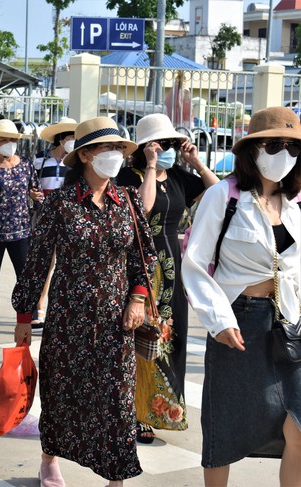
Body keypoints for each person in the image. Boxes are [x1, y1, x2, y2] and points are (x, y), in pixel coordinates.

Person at [12, 117, 157, 487]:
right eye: (107, 149)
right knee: (61, 392)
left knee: (118, 401)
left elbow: (144, 259)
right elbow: (38, 261)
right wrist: (25, 316)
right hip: (67, 318)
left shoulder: (127, 201)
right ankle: (49, 461)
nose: (115, 156)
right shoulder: (60, 204)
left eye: (119, 150)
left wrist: (137, 300)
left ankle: (116, 477)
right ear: (87, 155)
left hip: (116, 320)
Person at [182, 106, 301, 487]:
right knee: (226, 422)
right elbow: (195, 264)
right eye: (275, 144)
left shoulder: (295, 205)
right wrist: (218, 321)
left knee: (298, 424)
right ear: (252, 149)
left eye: (293, 148)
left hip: (290, 321)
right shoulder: (224, 196)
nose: (284, 154)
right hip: (239, 320)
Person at [116, 113, 219, 443]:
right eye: (162, 144)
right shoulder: (128, 176)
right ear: (146, 146)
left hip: (174, 268)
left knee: (172, 339)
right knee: (142, 339)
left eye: (172, 143)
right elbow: (142, 211)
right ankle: (136, 413)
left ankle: (163, 410)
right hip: (143, 265)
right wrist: (149, 165)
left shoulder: (179, 177)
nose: (169, 150)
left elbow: (219, 193)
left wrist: (196, 162)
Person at [0, 119, 40, 331]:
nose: (8, 143)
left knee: (26, 274)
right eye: (3, 140)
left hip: (21, 231)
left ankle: (31, 315)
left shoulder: (26, 165)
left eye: (11, 140)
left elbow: (36, 192)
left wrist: (34, 195)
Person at [31, 117, 78, 328]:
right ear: (60, 139)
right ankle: (39, 307)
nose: (73, 141)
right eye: (71, 137)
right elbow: (31, 185)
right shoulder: (40, 160)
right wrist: (32, 195)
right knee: (45, 264)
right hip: (44, 218)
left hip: (69, 219)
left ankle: (61, 310)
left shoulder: (77, 163)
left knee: (68, 265)